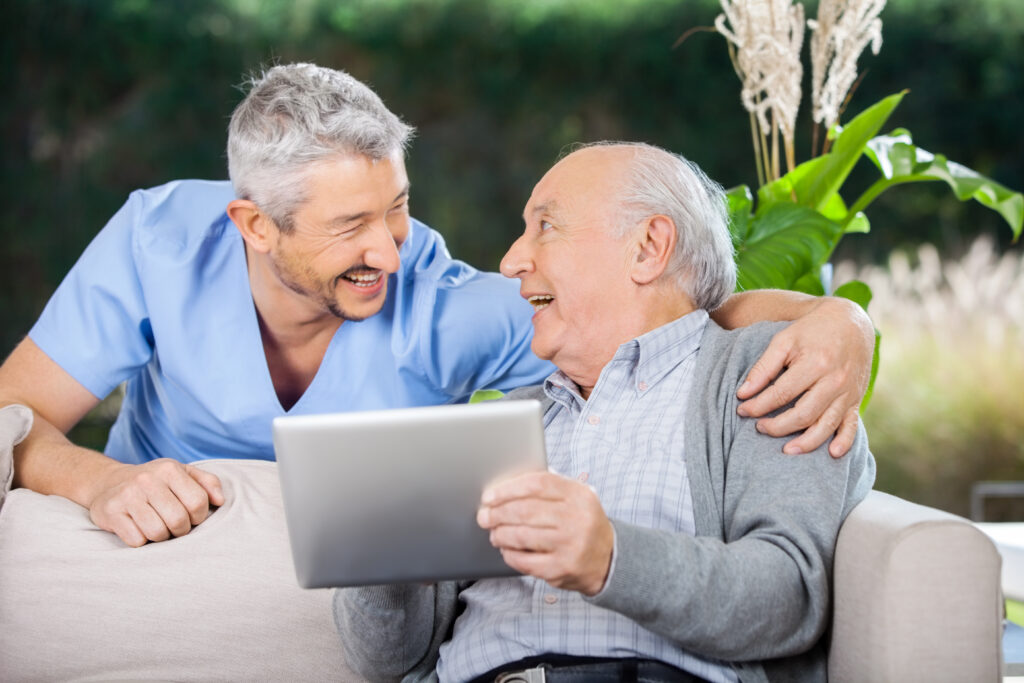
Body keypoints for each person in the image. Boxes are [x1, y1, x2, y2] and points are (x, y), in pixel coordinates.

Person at [0, 63, 873, 549]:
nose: (391, 248)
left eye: (399, 206)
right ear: (254, 226)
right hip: (160, 551)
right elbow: (12, 412)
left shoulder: (443, 305)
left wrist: (841, 321)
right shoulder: (158, 241)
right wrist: (102, 481)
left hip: (349, 582)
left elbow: (686, 317)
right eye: (352, 226)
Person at [334, 142, 875, 683]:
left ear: (648, 248)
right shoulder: (499, 425)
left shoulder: (765, 373)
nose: (510, 261)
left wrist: (610, 558)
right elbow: (390, 661)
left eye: (545, 227)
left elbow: (788, 600)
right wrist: (383, 552)